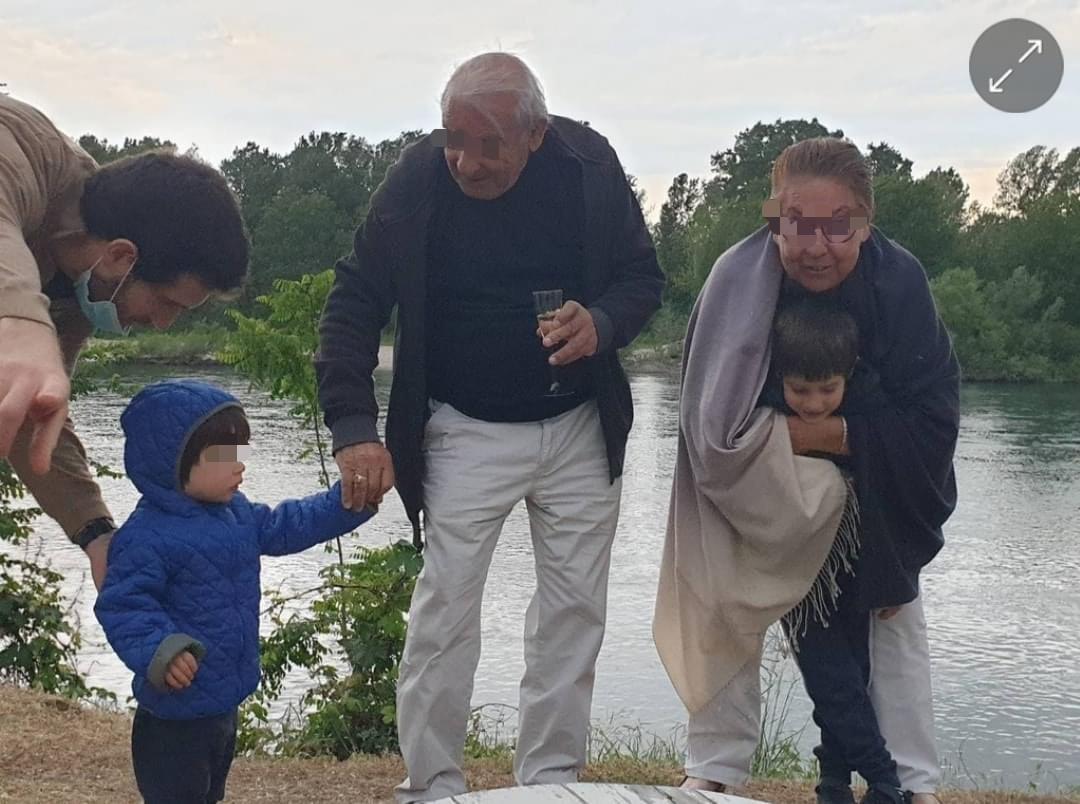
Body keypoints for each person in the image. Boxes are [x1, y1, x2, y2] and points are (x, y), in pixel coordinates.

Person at [315, 52, 664, 802]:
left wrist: (601, 323)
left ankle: (551, 785)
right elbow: (355, 297)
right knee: (444, 610)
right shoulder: (418, 179)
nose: (465, 162)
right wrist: (353, 426)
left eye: (488, 145)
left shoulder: (589, 166)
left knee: (573, 613)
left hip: (579, 425)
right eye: (453, 138)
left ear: (536, 134)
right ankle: (432, 787)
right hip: (463, 425)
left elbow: (642, 278)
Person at [654, 137, 959, 804]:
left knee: (893, 614)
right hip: (747, 479)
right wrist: (784, 441)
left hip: (871, 486)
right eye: (798, 223)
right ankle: (715, 767)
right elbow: (708, 420)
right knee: (719, 592)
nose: (816, 246)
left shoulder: (900, 285)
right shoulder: (734, 281)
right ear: (775, 221)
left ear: (865, 224)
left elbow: (932, 421)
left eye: (837, 225)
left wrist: (831, 435)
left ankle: (912, 782)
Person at [0, 93, 250, 588]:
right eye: (167, 303)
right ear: (120, 257)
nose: (162, 325)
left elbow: (36, 417)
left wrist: (97, 534)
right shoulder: (28, 147)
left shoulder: (77, 297)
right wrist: (19, 320)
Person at [94, 379, 374, 804]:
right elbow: (123, 605)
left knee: (210, 793)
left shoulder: (236, 514)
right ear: (172, 463)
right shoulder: (145, 536)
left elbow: (289, 524)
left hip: (223, 700)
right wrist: (160, 650)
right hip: (172, 719)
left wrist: (347, 502)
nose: (238, 467)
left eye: (240, 453)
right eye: (223, 456)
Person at [769, 296, 910, 804]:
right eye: (799, 390)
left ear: (849, 374)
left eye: (827, 389)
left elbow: (892, 503)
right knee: (829, 675)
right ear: (778, 377)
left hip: (855, 562)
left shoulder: (874, 418)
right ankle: (885, 780)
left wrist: (895, 577)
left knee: (853, 671)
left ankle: (833, 781)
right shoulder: (763, 415)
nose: (812, 404)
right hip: (797, 567)